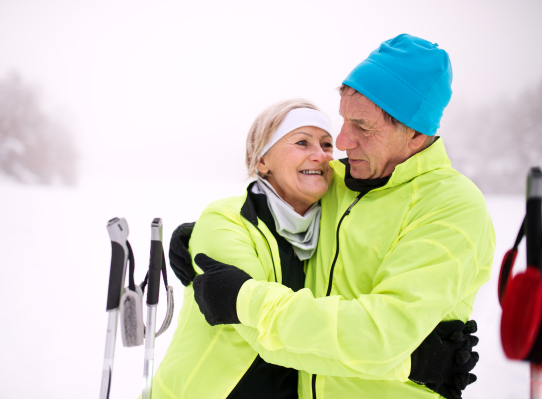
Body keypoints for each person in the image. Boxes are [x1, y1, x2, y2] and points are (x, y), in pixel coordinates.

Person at [190, 34, 494, 399]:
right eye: (345, 120)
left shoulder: (451, 207)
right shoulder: (340, 182)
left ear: (415, 134)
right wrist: (193, 239)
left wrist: (244, 300)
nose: (343, 141)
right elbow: (277, 198)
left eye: (363, 127)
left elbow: (376, 338)